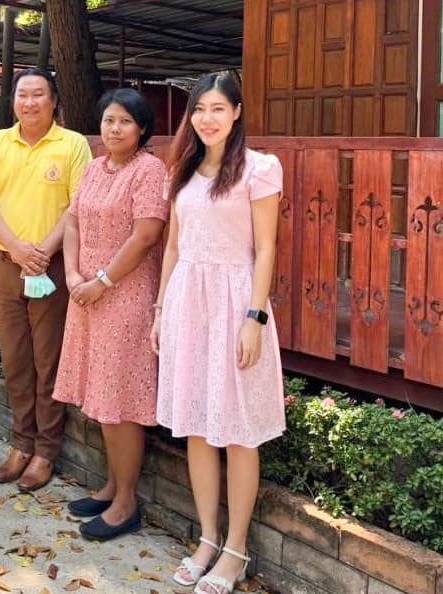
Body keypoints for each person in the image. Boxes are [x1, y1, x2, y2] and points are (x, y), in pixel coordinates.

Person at [151, 73, 285, 594]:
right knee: (197, 426)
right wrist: (161, 310)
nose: (207, 119)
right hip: (188, 302)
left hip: (235, 303)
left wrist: (254, 319)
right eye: (199, 109)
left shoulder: (259, 168)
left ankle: (236, 549)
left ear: (236, 113)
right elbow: (172, 246)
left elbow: (266, 248)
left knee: (237, 429)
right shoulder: (183, 169)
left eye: (218, 109)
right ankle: (207, 539)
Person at [52, 88, 168, 540]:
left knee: (120, 401)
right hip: (86, 294)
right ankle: (111, 486)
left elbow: (146, 236)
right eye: (108, 120)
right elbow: (73, 221)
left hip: (125, 296)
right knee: (101, 396)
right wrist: (72, 273)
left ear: (142, 128)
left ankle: (127, 503)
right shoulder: (94, 168)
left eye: (124, 121)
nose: (114, 129)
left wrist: (100, 281)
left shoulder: (149, 170)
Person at [0, 67, 91, 491]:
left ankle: (45, 451)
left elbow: (77, 206)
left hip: (51, 266)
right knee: (15, 358)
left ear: (54, 101)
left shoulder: (72, 144)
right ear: (14, 102)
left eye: (39, 94)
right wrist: (17, 249)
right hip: (7, 264)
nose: (29, 102)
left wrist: (41, 252)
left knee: (48, 360)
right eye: (23, 95)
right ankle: (21, 443)